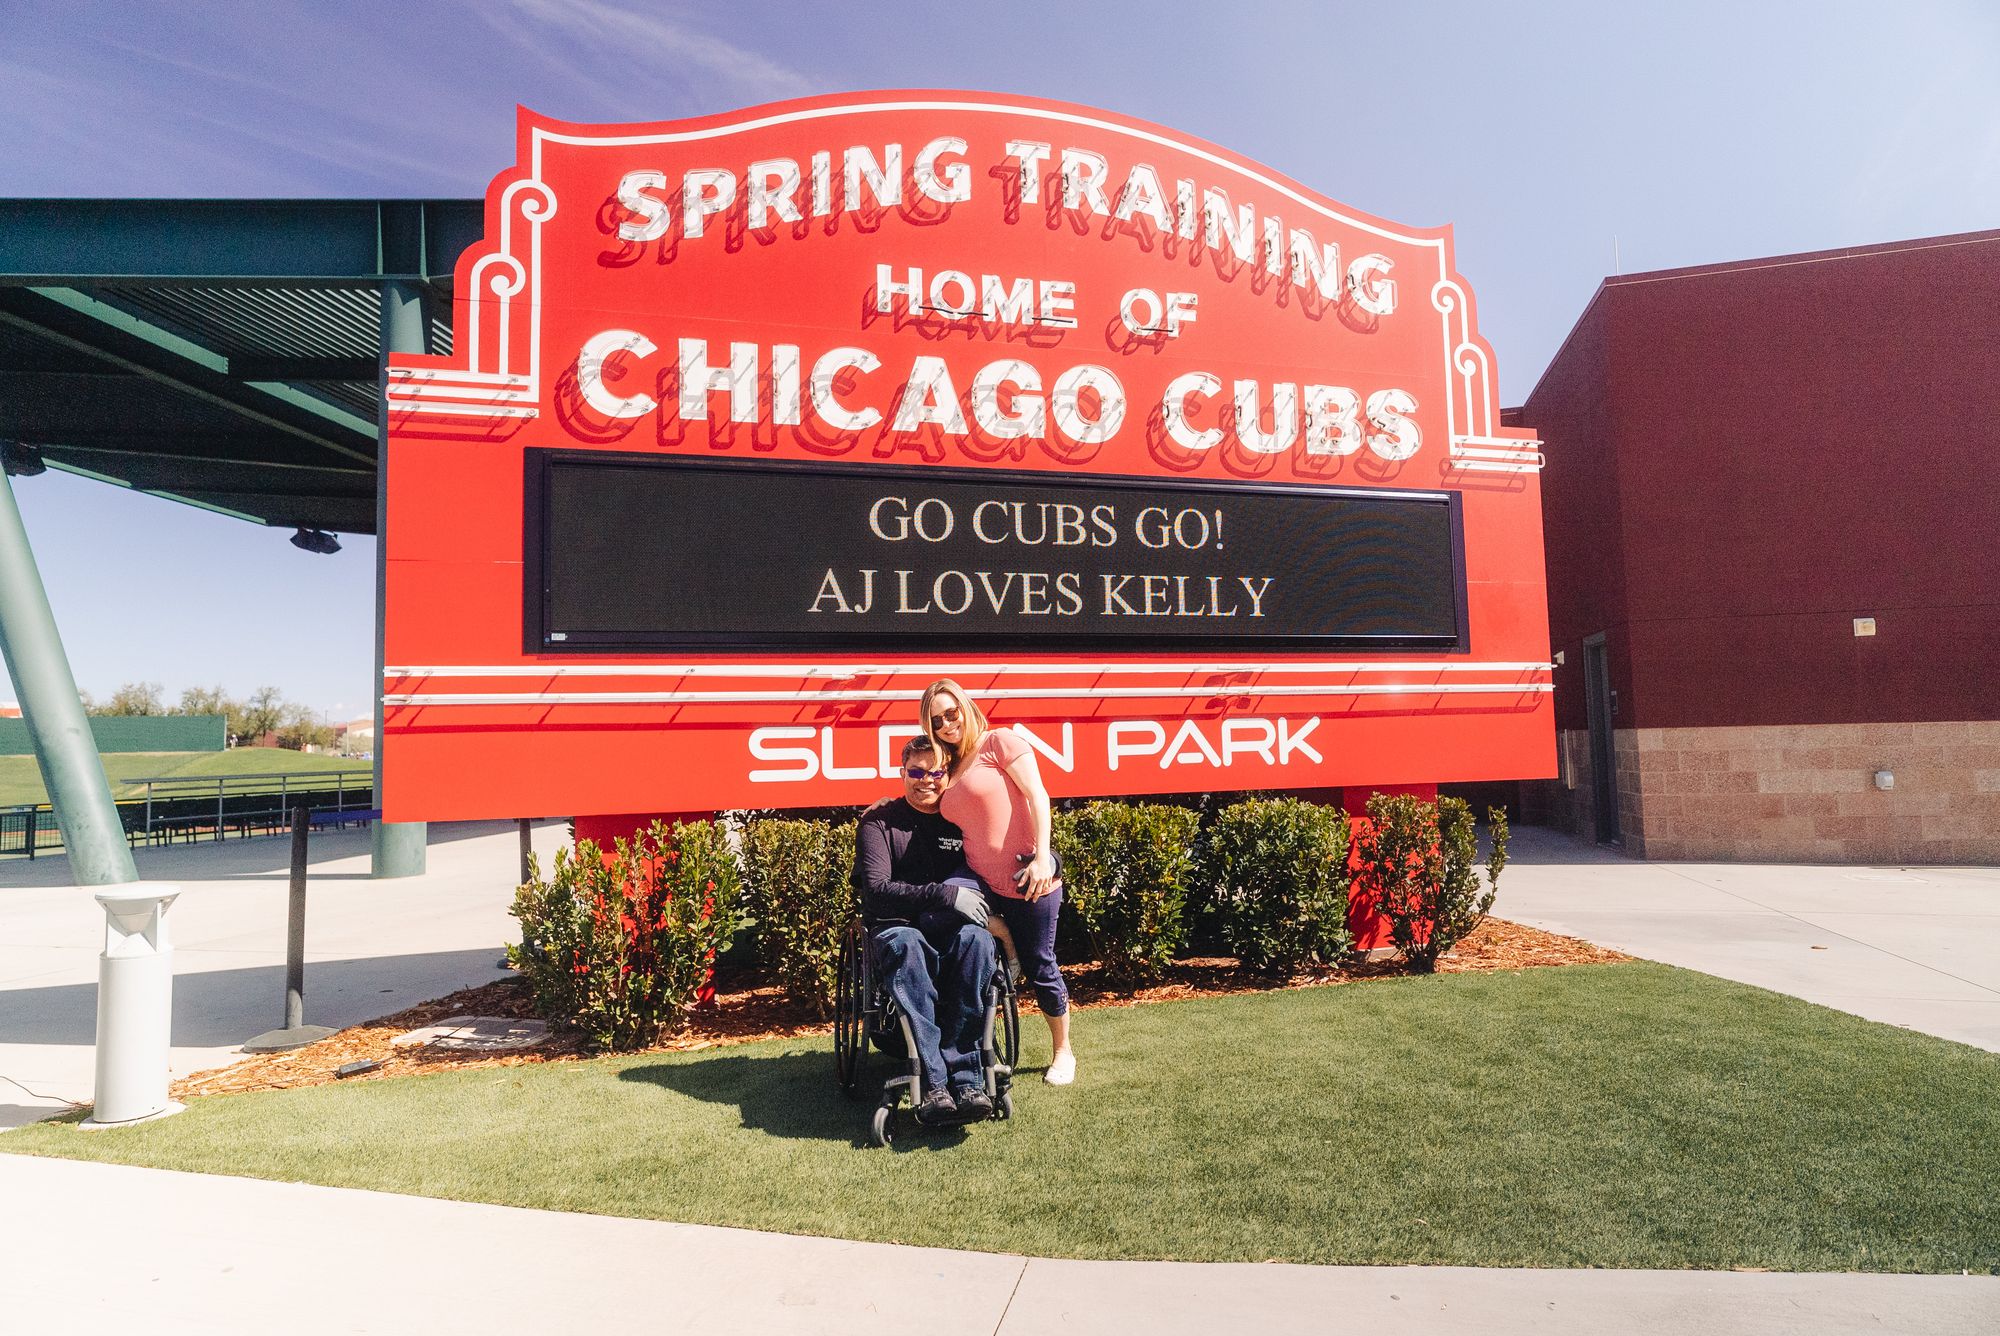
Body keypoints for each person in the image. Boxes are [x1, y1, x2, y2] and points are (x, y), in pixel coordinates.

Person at [921, 678, 1076, 1086]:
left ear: (966, 707)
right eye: (936, 721)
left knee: (1041, 965)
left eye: (951, 713)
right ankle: (1003, 935)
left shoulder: (999, 742)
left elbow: (1038, 795)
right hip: (980, 879)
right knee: (940, 909)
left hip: (1028, 878)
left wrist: (1043, 859)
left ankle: (1063, 1051)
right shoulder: (949, 766)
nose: (947, 724)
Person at [853, 734, 999, 1125]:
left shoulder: (961, 819)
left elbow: (1004, 850)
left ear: (948, 775)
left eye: (936, 772)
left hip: (949, 931)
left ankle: (967, 1082)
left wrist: (1047, 861)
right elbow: (878, 891)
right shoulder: (879, 822)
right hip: (897, 929)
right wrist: (946, 895)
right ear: (902, 773)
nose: (926, 781)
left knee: (977, 941)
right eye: (916, 772)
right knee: (909, 944)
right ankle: (935, 1085)